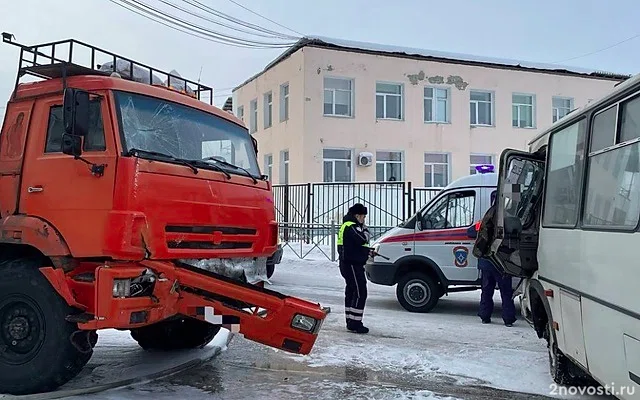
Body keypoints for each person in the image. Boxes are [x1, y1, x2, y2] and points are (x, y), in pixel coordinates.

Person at [467, 193, 516, 327]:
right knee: (506, 292)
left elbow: (472, 232)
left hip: (487, 261)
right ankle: (508, 319)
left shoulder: (488, 216)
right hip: (503, 262)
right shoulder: (511, 217)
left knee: (487, 291)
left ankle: (485, 316)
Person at [337, 203, 372, 334]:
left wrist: (366, 251)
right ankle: (355, 323)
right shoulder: (351, 226)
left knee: (352, 291)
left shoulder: (348, 225)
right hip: (352, 264)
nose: (364, 220)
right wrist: (366, 231)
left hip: (349, 263)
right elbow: (362, 238)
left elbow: (354, 245)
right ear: (357, 215)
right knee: (360, 292)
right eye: (363, 217)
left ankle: (351, 321)